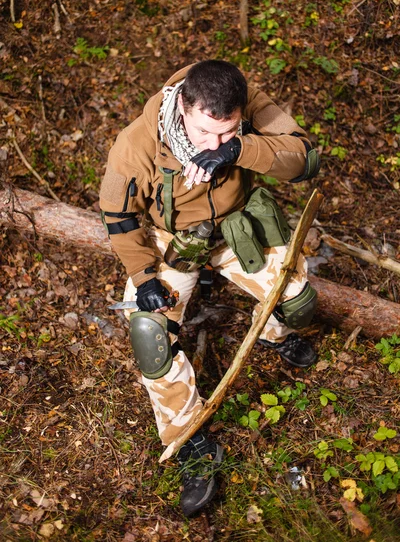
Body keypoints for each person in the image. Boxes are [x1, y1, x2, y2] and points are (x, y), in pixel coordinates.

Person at [99, 60, 320, 517]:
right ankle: (190, 441)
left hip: (239, 227)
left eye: (226, 129)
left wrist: (240, 148)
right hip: (173, 240)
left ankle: (274, 332)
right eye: (203, 132)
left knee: (299, 304)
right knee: (149, 336)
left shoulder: (249, 103)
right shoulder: (136, 143)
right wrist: (143, 277)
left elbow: (305, 159)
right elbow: (119, 217)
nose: (212, 142)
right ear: (183, 105)